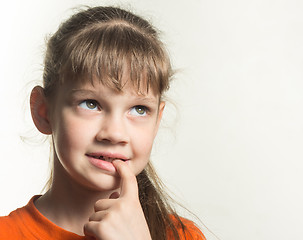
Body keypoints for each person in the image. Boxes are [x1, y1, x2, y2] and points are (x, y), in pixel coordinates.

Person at [0, 6, 206, 240]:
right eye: (90, 103)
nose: (115, 133)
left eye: (139, 109)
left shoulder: (184, 235)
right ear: (43, 112)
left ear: (157, 121)